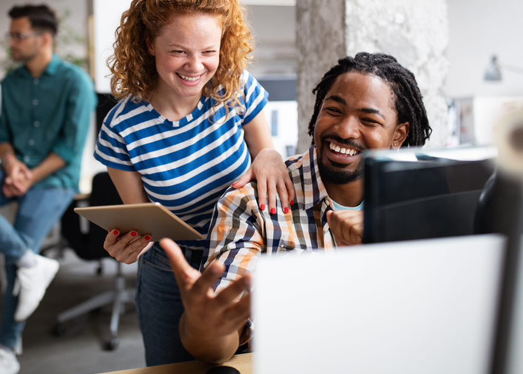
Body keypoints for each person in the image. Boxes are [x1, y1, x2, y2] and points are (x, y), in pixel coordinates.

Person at [161, 52, 433, 364]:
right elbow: (222, 336)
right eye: (333, 111)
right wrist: (206, 328)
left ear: (398, 135)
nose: (345, 131)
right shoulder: (252, 202)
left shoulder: (420, 204)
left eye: (368, 120)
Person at [93, 0, 295, 366]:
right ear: (150, 44)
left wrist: (270, 156)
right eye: (179, 52)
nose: (196, 66)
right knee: (174, 368)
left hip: (246, 253)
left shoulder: (233, 88)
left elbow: (264, 154)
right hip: (172, 269)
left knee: (255, 364)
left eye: (208, 51)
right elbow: (144, 222)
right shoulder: (122, 127)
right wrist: (128, 242)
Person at [0, 4, 96, 374]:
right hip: (12, 169)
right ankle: (33, 263)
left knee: (17, 255)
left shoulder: (75, 81)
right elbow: (0, 137)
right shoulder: (11, 83)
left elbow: (69, 148)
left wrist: (30, 175)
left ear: (44, 39)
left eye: (18, 35)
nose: (11, 42)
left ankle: (6, 349)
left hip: (54, 178)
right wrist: (12, 164)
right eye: (11, 35)